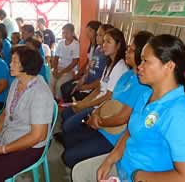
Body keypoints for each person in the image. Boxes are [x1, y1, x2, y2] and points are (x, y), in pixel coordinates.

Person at [79, 34, 185, 182]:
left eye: (146, 61)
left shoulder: (180, 115)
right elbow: (130, 131)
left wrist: (140, 175)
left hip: (142, 176)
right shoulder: (146, 95)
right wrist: (110, 160)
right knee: (79, 172)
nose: (140, 66)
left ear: (169, 66)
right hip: (123, 167)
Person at [61, 31, 152, 170]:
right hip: (103, 122)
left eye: (132, 50)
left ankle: (90, 165)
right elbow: (109, 100)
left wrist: (98, 122)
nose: (127, 51)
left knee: (69, 156)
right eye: (128, 48)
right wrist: (95, 115)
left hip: (114, 135)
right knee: (67, 138)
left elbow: (122, 118)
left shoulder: (143, 85)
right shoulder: (127, 75)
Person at [0, 48, 54, 182]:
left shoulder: (40, 93)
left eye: (14, 62)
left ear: (26, 66)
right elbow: (6, 112)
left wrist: (3, 150)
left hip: (30, 146)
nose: (10, 64)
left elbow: (38, 136)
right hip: (9, 135)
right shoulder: (17, 82)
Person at [60, 21, 106, 102]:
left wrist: (81, 79)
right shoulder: (95, 48)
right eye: (87, 30)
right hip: (86, 78)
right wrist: (80, 75)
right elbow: (88, 64)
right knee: (64, 87)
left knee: (68, 89)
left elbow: (100, 79)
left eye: (90, 30)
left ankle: (72, 107)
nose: (87, 33)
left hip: (92, 84)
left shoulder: (102, 52)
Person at [49, 23, 80, 100]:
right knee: (50, 81)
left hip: (70, 70)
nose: (65, 34)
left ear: (72, 33)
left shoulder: (76, 44)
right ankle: (51, 100)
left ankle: (59, 101)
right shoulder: (61, 43)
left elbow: (75, 62)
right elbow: (56, 58)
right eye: (63, 32)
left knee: (59, 85)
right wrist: (55, 69)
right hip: (59, 68)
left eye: (67, 32)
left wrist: (61, 72)